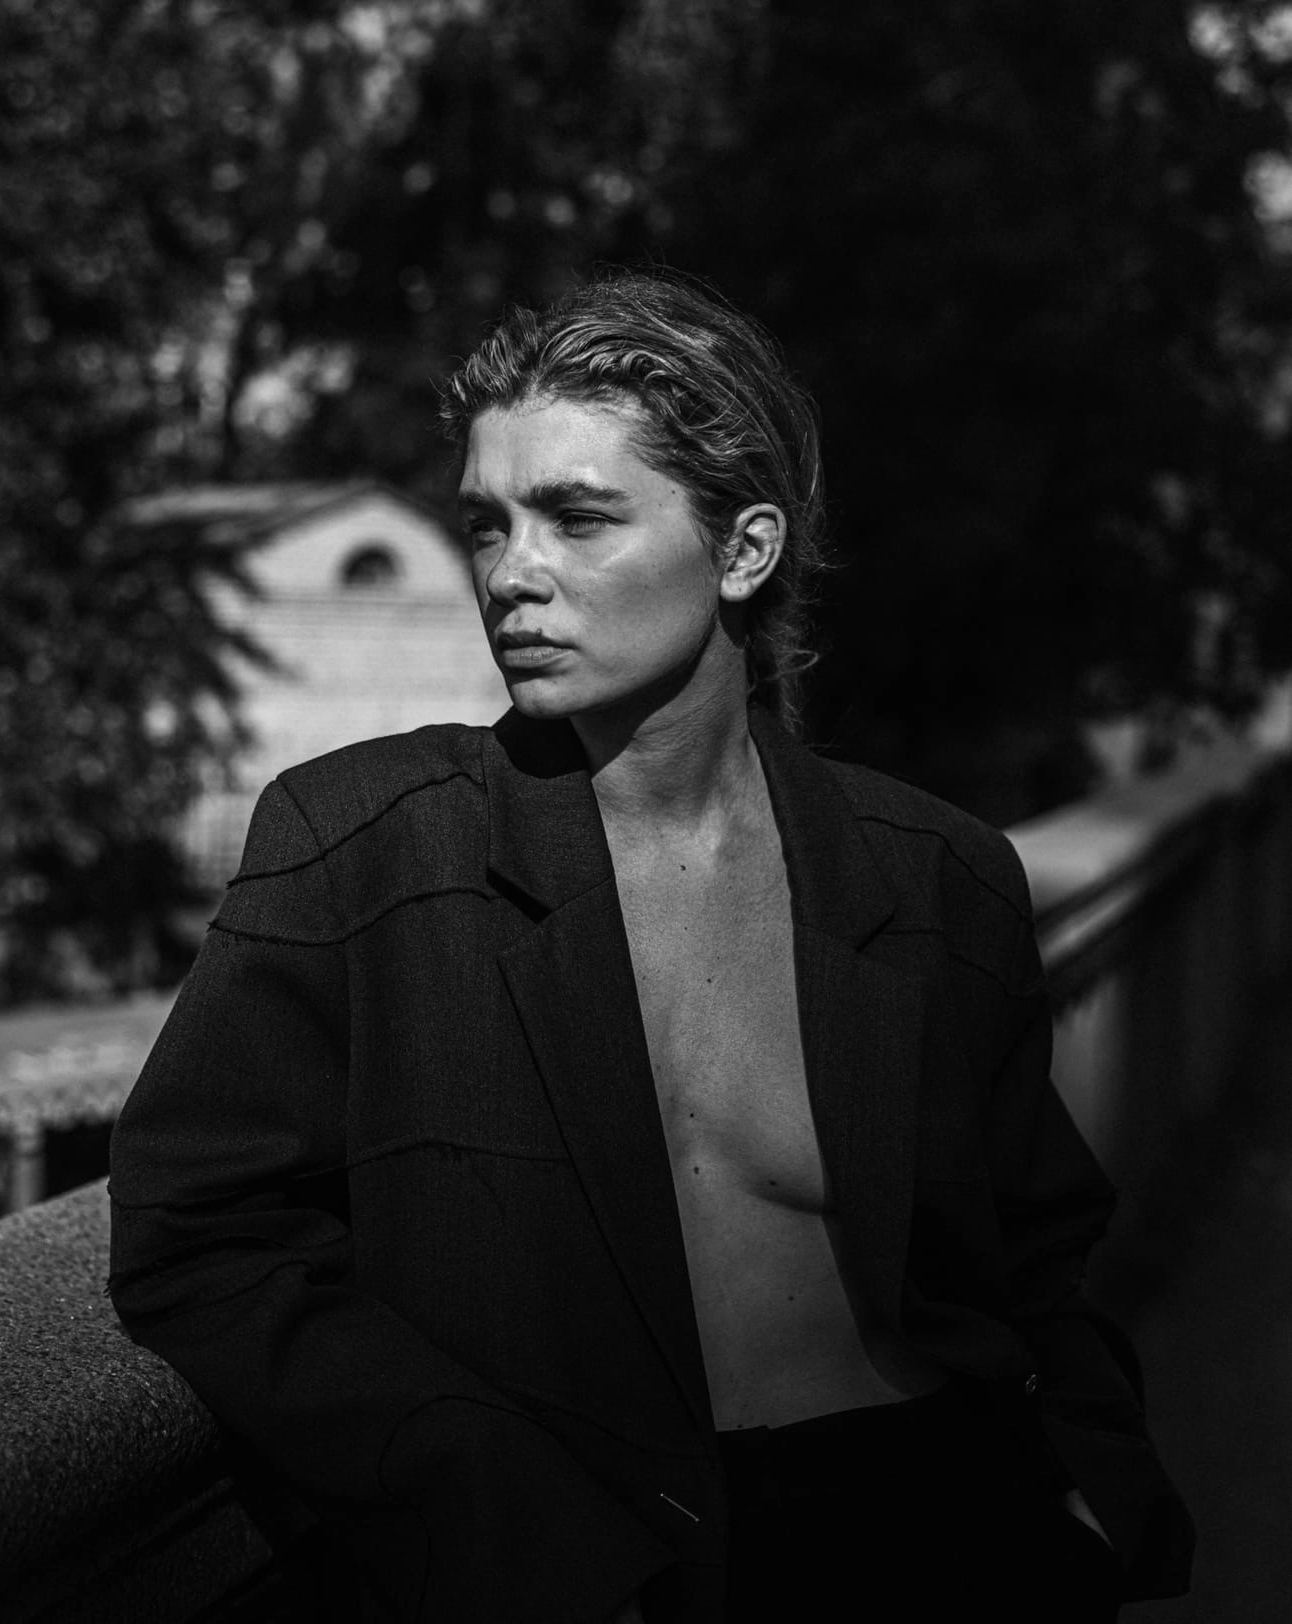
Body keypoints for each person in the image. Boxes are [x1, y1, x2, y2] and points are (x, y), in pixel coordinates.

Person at [108, 270, 1193, 1622]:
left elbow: (1039, 1246)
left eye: (576, 518)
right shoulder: (362, 847)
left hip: (946, 1528)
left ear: (743, 551)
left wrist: (1087, 1490)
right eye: (486, 523)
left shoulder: (935, 874)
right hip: (593, 1556)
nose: (511, 574)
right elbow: (199, 1232)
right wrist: (502, 1525)